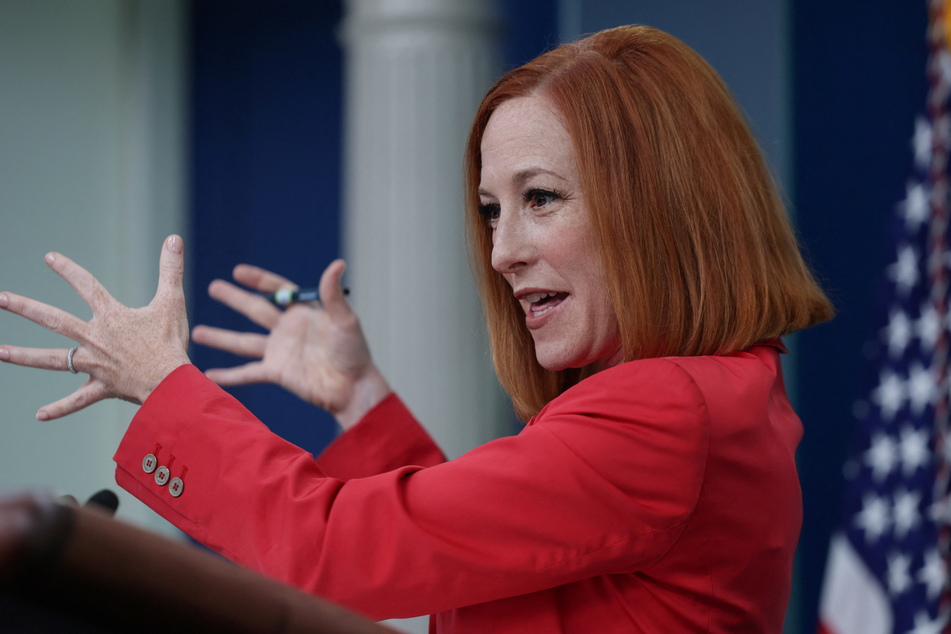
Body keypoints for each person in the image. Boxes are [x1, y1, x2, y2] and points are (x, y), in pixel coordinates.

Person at [0, 25, 832, 633]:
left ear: (656, 208)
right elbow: (491, 572)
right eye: (489, 210)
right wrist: (363, 402)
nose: (502, 252)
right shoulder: (720, 396)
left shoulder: (664, 412)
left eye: (539, 198)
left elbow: (326, 555)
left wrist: (165, 387)